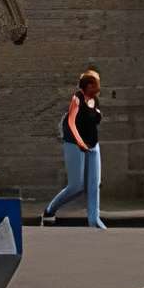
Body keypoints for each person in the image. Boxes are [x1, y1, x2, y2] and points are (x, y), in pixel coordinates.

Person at [42, 67, 105, 228]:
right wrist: (80, 142)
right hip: (74, 144)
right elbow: (71, 122)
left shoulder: (95, 100)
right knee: (76, 186)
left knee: (94, 185)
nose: (99, 87)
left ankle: (94, 220)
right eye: (97, 84)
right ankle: (50, 210)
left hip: (93, 145)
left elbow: (94, 120)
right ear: (89, 86)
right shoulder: (77, 98)